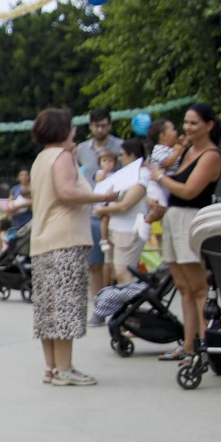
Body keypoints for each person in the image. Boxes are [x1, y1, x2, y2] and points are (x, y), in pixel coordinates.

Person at [30, 108, 116, 385]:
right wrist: (102, 195)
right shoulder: (62, 156)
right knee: (66, 305)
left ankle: (52, 367)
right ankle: (64, 368)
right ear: (62, 130)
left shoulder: (41, 158)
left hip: (43, 240)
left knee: (47, 308)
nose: (75, 131)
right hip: (65, 239)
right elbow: (66, 191)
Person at [145, 104, 221, 362]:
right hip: (172, 218)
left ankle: (205, 344)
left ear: (208, 125)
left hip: (191, 219)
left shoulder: (211, 155)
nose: (187, 128)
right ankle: (189, 344)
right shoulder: (188, 149)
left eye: (193, 123)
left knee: (199, 287)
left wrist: (159, 177)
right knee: (183, 287)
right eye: (186, 123)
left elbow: (189, 190)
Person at [75, 108, 124, 299]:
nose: (100, 129)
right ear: (90, 126)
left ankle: (118, 301)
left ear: (109, 125)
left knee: (117, 263)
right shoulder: (82, 149)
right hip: (92, 211)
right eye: (96, 126)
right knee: (94, 262)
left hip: (117, 209)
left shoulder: (120, 146)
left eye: (103, 125)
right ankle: (98, 301)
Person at [93, 138, 149, 286]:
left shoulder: (142, 175)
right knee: (112, 271)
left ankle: (130, 304)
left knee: (122, 272)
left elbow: (126, 204)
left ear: (132, 155)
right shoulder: (127, 174)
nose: (120, 158)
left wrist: (102, 209)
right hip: (114, 228)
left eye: (122, 154)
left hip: (128, 230)